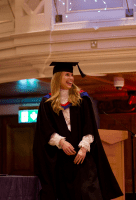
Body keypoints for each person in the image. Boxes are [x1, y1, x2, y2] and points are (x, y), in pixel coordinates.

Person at [33, 62, 123, 200]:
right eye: (67, 75)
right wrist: (61, 142)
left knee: (88, 193)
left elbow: (89, 127)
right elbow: (44, 130)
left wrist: (83, 148)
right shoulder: (47, 103)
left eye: (72, 75)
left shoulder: (82, 99)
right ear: (57, 77)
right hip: (62, 163)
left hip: (83, 159)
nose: (71, 78)